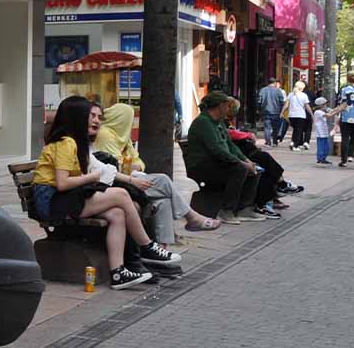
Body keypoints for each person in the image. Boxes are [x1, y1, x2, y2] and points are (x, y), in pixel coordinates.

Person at [33, 97, 181, 290]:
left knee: (118, 213)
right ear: (77, 117)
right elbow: (62, 184)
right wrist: (91, 178)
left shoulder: (76, 143)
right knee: (120, 195)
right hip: (52, 201)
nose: (95, 120)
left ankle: (118, 273)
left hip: (65, 197)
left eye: (98, 117)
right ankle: (147, 246)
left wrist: (127, 179)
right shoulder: (66, 143)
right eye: (90, 116)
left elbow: (100, 169)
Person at [94, 103, 220, 244]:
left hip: (131, 178)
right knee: (163, 180)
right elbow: (115, 167)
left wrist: (134, 167)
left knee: (163, 201)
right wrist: (131, 167)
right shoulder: (106, 134)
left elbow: (139, 162)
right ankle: (191, 217)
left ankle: (162, 248)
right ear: (120, 119)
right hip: (118, 182)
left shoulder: (123, 136)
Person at [184, 92, 266, 225]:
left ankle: (244, 208)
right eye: (228, 106)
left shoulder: (219, 122)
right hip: (203, 166)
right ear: (220, 106)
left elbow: (230, 145)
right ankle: (226, 211)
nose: (229, 110)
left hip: (218, 163)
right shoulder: (203, 122)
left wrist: (246, 160)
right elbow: (216, 150)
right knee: (239, 170)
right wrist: (241, 163)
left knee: (255, 168)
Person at [312, 96, 344, 165]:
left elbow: (332, 111)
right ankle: (320, 158)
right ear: (321, 105)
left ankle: (323, 158)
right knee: (321, 146)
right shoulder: (318, 112)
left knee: (326, 147)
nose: (326, 106)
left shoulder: (323, 111)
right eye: (324, 104)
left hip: (324, 132)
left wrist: (338, 108)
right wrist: (338, 111)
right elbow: (328, 115)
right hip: (320, 133)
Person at [257, 77, 285, 147]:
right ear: (275, 83)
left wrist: (260, 108)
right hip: (276, 111)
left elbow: (259, 101)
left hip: (266, 111)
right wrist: (281, 110)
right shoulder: (278, 91)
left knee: (267, 127)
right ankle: (275, 142)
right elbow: (281, 101)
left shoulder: (263, 90)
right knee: (275, 128)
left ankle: (268, 142)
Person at [286, 80, 311, 151]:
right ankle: (295, 146)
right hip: (300, 115)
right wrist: (311, 114)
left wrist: (282, 112)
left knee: (295, 130)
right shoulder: (304, 95)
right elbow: (307, 106)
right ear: (301, 88)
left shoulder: (291, 94)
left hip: (291, 115)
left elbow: (286, 104)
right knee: (299, 131)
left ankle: (293, 142)